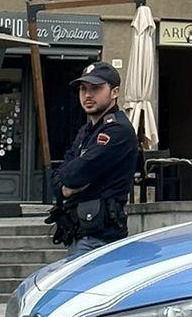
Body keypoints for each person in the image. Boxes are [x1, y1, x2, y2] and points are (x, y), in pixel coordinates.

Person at [50, 61, 138, 258]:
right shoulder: (87, 130)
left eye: (96, 88)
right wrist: (65, 186)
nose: (87, 95)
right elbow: (59, 176)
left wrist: (69, 182)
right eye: (83, 89)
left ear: (114, 92)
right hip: (80, 232)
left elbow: (74, 175)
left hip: (101, 236)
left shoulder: (117, 130)